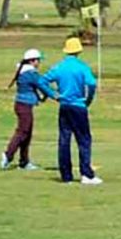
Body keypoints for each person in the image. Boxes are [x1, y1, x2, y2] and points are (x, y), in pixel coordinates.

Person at [43, 38, 101, 185]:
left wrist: (52, 94)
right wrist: (88, 100)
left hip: (64, 106)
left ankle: (66, 176)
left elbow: (42, 81)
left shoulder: (59, 67)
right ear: (79, 51)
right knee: (84, 140)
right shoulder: (82, 67)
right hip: (78, 106)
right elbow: (92, 85)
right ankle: (86, 174)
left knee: (64, 140)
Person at [1, 49, 57, 171]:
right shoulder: (30, 73)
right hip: (24, 106)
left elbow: (37, 88)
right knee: (22, 132)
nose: (39, 62)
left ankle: (24, 162)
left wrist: (43, 96)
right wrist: (55, 96)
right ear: (32, 61)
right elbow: (42, 85)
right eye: (38, 60)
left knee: (27, 134)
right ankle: (8, 155)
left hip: (23, 105)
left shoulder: (25, 71)